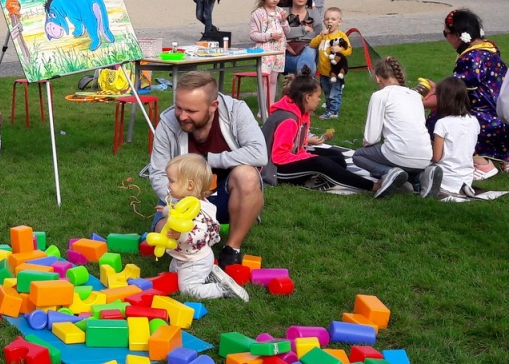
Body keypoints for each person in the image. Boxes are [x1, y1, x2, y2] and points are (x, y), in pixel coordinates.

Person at [148, 71, 267, 269]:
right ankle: (192, 253)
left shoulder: (236, 112)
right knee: (164, 231)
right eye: (179, 107)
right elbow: (159, 173)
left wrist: (209, 160)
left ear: (213, 106)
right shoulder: (168, 122)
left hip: (226, 193)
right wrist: (180, 206)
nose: (182, 116)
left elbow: (259, 153)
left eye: (191, 111)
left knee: (247, 174)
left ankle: (231, 249)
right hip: (183, 197)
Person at [261, 67, 407, 197]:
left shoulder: (299, 113)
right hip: (275, 169)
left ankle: (318, 178)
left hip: (290, 157)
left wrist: (307, 150)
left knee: (336, 157)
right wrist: (308, 158)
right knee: (320, 162)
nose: (319, 100)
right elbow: (279, 156)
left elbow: (294, 143)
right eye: (318, 97)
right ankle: (372, 186)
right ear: (307, 97)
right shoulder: (289, 119)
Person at [425, 9, 509, 179]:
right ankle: (502, 157)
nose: (446, 38)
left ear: (457, 35)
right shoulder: (490, 50)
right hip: (503, 118)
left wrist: (417, 102)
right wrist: (439, 88)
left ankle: (477, 161)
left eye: (445, 34)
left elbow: (452, 96)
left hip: (487, 122)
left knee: (439, 120)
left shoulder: (471, 58)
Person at [160, 154, 249, 302]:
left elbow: (200, 235)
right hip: (183, 255)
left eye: (171, 181)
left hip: (195, 259)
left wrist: (180, 236)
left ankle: (221, 289)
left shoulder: (200, 211)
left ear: (189, 185)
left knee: (188, 290)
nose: (168, 185)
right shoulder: (183, 201)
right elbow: (173, 210)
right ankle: (207, 274)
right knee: (173, 276)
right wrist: (164, 210)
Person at [352, 57, 439, 198]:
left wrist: (370, 146)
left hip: (398, 153)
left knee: (359, 155)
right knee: (402, 159)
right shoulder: (415, 96)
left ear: (378, 78)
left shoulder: (380, 95)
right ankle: (422, 175)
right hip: (425, 155)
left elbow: (371, 138)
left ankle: (389, 173)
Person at [431, 77, 480, 198]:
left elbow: (436, 157)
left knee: (420, 168)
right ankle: (463, 187)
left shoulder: (442, 123)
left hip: (446, 177)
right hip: (467, 177)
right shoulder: (474, 121)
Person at [248, 0, 289, 105]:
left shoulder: (280, 11)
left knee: (273, 80)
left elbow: (287, 31)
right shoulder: (258, 14)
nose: (275, 0)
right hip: (265, 50)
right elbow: (253, 35)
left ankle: (270, 106)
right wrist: (269, 36)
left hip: (279, 50)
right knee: (264, 80)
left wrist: (284, 21)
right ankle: (262, 108)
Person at [309, 7, 352, 120]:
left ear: (339, 22)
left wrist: (340, 50)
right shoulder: (323, 35)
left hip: (336, 71)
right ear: (324, 21)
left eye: (333, 19)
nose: (329, 21)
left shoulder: (341, 36)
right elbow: (312, 44)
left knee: (334, 93)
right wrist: (320, 36)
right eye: (327, 19)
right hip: (323, 71)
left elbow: (349, 50)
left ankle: (333, 112)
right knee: (327, 92)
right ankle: (329, 109)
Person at [283, 0, 321, 76]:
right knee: (311, 67)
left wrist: (293, 35)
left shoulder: (314, 13)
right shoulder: (283, 12)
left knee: (309, 49)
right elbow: (281, 33)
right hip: (287, 55)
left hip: (309, 53)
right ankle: (304, 79)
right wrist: (303, 29)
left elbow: (318, 35)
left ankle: (301, 76)